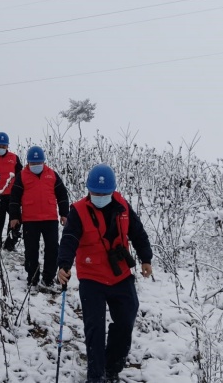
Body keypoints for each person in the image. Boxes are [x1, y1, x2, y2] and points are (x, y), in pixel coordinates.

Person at [57, 163, 153, 383]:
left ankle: (112, 367)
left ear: (112, 190)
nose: (100, 196)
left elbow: (138, 233)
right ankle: (96, 376)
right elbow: (69, 238)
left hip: (120, 275)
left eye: (104, 193)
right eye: (95, 193)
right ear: (89, 190)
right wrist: (64, 264)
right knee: (95, 330)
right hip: (92, 278)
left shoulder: (122, 206)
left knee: (126, 321)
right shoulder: (79, 211)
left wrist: (146, 258)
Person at [9, 146, 69, 288]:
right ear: (28, 163)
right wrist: (14, 217)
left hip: (50, 220)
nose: (36, 166)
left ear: (44, 161)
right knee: (31, 250)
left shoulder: (52, 175)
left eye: (39, 163)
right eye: (33, 163)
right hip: (30, 220)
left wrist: (64, 213)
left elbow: (62, 194)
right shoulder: (22, 176)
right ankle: (33, 276)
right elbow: (14, 198)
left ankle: (48, 277)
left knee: (53, 249)